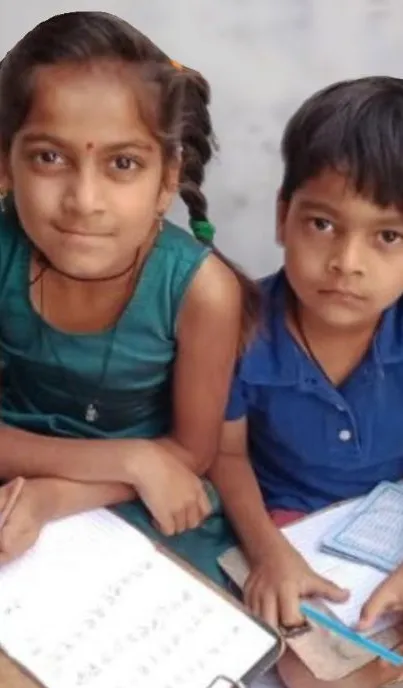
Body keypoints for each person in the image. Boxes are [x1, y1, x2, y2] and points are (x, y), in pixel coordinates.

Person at [0, 10, 259, 581]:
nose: (84, 199)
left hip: (141, 498)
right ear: (5, 166)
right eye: (49, 157)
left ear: (167, 180)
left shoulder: (201, 292)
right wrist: (125, 455)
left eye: (122, 163)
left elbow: (189, 457)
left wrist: (52, 497)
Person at [210, 76, 403, 688]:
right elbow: (227, 455)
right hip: (294, 524)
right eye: (323, 223)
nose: (347, 261)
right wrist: (269, 554)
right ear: (281, 216)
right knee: (313, 683)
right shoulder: (239, 327)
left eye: (387, 236)